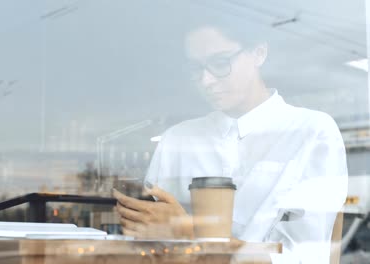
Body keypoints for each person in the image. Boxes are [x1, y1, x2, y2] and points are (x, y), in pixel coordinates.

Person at [113, 24, 348, 263]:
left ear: (259, 53)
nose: (206, 81)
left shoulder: (311, 131)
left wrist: (189, 234)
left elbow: (305, 256)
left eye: (220, 63)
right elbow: (149, 243)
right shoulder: (177, 140)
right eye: (196, 68)